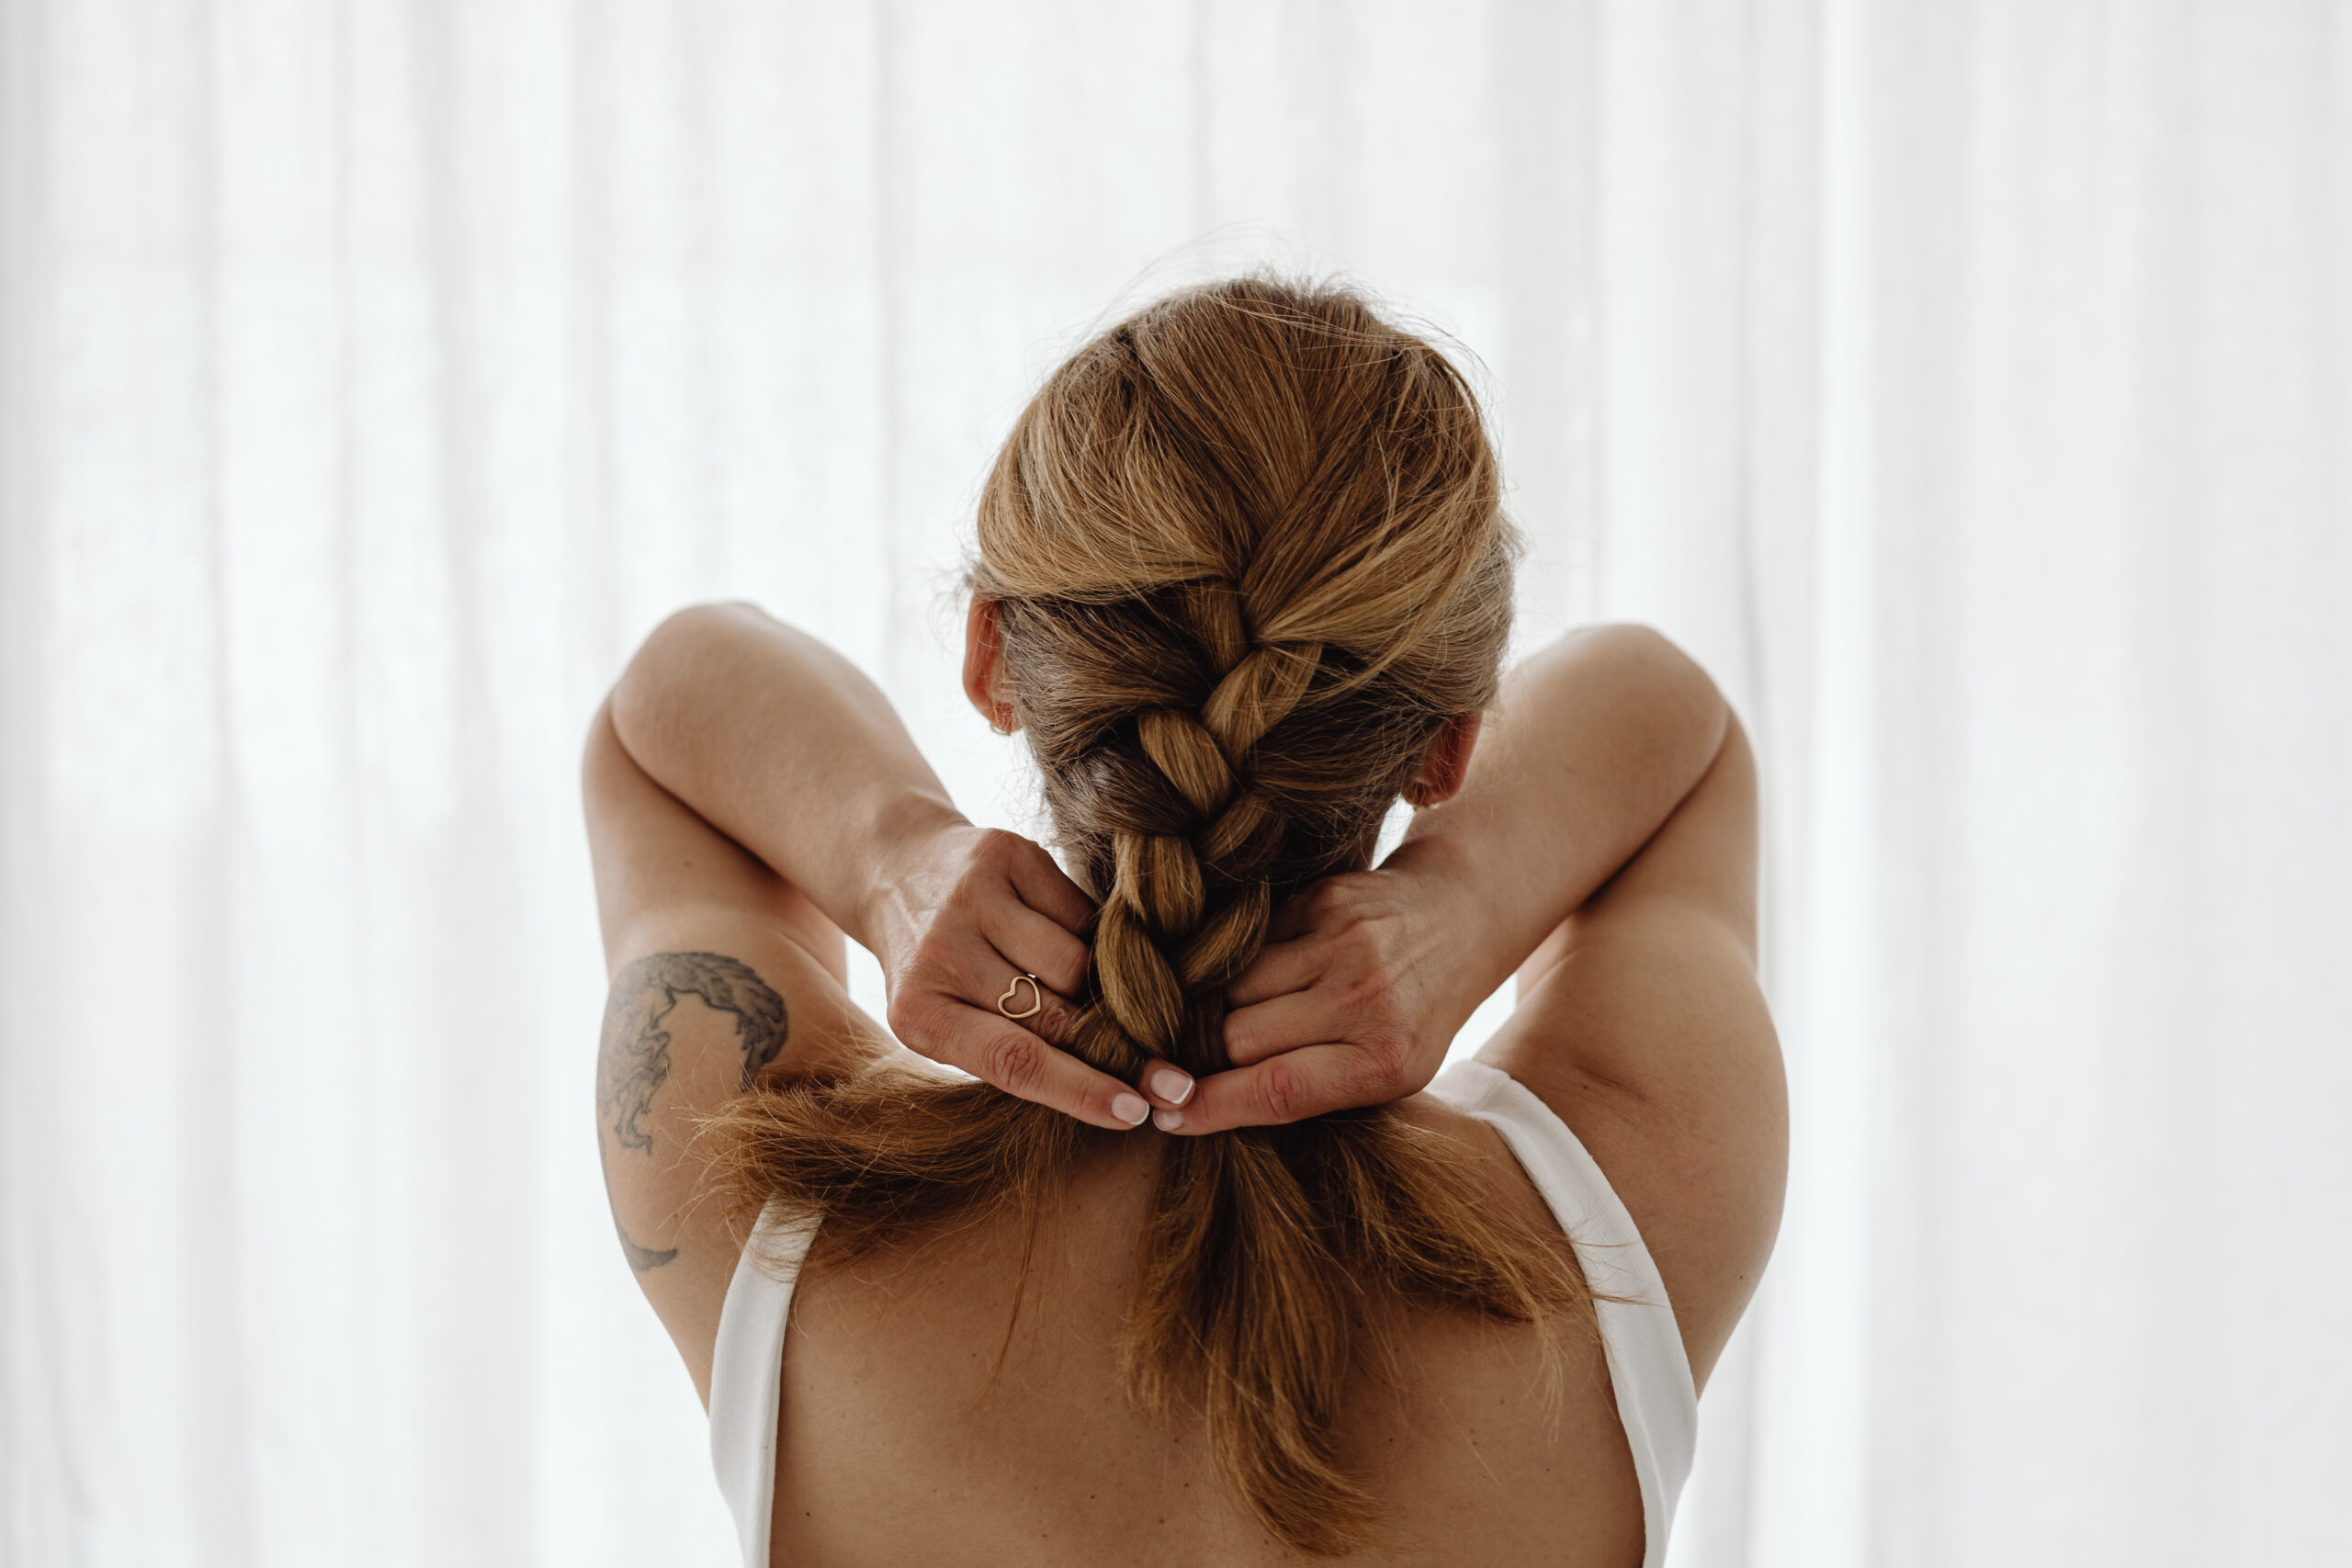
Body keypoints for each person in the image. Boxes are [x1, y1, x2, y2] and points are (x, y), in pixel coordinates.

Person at [582, 277, 1786, 1567]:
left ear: (992, 656)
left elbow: (667, 698)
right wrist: (1466, 901)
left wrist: (894, 860)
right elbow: (1671, 709)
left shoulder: (769, 1203)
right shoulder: (1615, 1219)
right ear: (1451, 747)